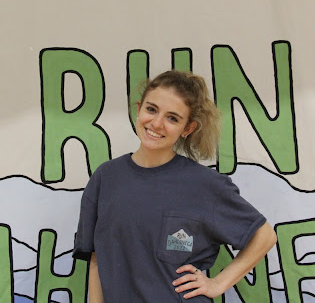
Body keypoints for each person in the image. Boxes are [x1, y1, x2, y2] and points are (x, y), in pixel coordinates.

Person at [73, 70, 277, 302]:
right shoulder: (106, 178)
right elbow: (97, 260)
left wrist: (217, 283)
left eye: (172, 118)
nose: (157, 123)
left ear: (187, 128)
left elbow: (264, 236)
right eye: (151, 109)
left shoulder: (205, 185)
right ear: (139, 108)